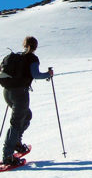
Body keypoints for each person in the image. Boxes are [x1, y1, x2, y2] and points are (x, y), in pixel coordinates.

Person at [1, 36, 53, 166]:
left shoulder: (16, 56)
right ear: (35, 46)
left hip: (7, 91)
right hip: (20, 93)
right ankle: (7, 156)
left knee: (27, 115)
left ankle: (17, 142)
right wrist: (48, 74)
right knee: (16, 123)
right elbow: (36, 75)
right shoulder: (32, 58)